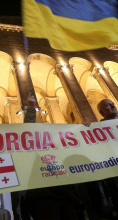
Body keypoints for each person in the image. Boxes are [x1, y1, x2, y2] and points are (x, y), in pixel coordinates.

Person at [23, 91, 80, 220]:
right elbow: (27, 131)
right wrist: (31, 108)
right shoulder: (34, 148)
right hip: (43, 195)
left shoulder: (61, 148)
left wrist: (84, 128)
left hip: (66, 194)